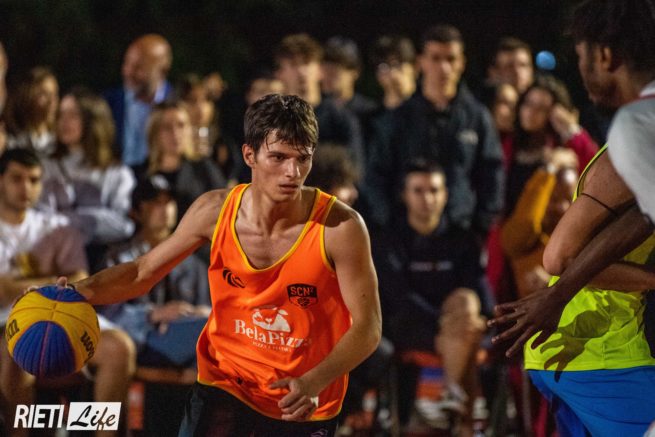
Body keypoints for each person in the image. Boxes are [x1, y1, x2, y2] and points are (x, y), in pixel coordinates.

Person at [53, 94, 381, 436]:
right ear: (249, 155)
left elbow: (368, 327)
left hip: (301, 395)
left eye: (303, 158)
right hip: (227, 382)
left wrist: (316, 379)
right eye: (279, 157)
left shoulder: (340, 227)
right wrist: (74, 292)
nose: (292, 172)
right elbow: (141, 272)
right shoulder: (215, 211)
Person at [489, 2, 655, 434]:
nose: (580, 69)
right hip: (597, 350)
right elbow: (560, 256)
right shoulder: (632, 141)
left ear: (604, 56)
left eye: (580, 55)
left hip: (592, 349)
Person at [0, 148, 135, 437]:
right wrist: (50, 283)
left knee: (119, 348)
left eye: (34, 180)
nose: (26, 187)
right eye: (17, 179)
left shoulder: (58, 227)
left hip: (63, 314)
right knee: (14, 351)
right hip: (7, 319)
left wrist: (21, 285)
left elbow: (79, 279)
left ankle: (98, 432)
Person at [373, 160, 493, 436]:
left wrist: (485, 319)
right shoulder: (391, 239)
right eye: (418, 191)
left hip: (455, 321)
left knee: (466, 302)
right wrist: (445, 322)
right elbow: (399, 297)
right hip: (410, 326)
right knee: (468, 331)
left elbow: (477, 286)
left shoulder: (461, 238)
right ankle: (462, 417)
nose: (427, 199)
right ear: (404, 195)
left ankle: (453, 397)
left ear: (446, 195)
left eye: (434, 190)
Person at [366, 24, 504, 238]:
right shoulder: (398, 119)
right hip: (404, 238)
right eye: (436, 58)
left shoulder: (477, 117)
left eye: (451, 59)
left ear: (462, 63)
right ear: (421, 62)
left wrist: (480, 226)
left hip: (462, 234)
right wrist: (389, 224)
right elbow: (376, 175)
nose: (444, 68)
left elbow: (492, 173)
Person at [40, 88, 136, 269]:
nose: (64, 122)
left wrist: (69, 217)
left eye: (73, 115)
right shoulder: (46, 167)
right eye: (61, 114)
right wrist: (96, 218)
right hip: (56, 264)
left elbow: (123, 225)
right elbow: (41, 221)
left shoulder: (118, 173)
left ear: (93, 121)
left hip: (103, 264)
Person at [274, 33, 366, 174]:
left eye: (307, 63)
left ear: (320, 70)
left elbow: (355, 173)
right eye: (294, 65)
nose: (302, 72)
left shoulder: (341, 120)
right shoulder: (271, 121)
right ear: (280, 74)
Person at [104, 34, 174, 168]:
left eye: (139, 68)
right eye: (127, 64)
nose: (128, 72)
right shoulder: (108, 103)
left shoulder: (178, 105)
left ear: (162, 71)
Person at [4, 67, 59, 157]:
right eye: (44, 94)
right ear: (28, 96)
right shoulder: (11, 141)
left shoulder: (60, 142)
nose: (52, 101)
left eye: (54, 94)